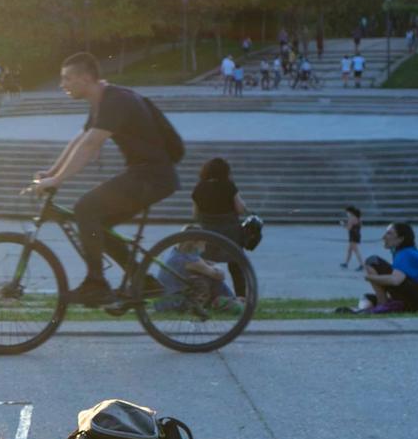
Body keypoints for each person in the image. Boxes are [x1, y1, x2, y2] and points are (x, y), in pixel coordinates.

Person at [29, 51, 181, 307]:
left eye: (67, 78)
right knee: (96, 225)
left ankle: (97, 285)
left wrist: (57, 181)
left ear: (86, 78)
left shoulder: (115, 100)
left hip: (152, 176)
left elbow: (91, 144)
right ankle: (145, 282)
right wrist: (52, 173)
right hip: (146, 174)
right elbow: (80, 139)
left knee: (85, 209)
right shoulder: (102, 100)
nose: (62, 84)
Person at [190, 157, 252, 298]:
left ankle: (205, 296)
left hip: (208, 235)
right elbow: (240, 209)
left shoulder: (199, 187)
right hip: (230, 235)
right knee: (236, 266)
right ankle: (241, 297)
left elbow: (195, 214)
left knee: (205, 266)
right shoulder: (228, 185)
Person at [360, 222, 418, 313]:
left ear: (400, 239)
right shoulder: (408, 252)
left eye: (389, 233)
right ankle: (373, 306)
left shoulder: (405, 254)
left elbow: (395, 280)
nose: (383, 237)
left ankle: (382, 304)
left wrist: (370, 278)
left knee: (372, 261)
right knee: (367, 298)